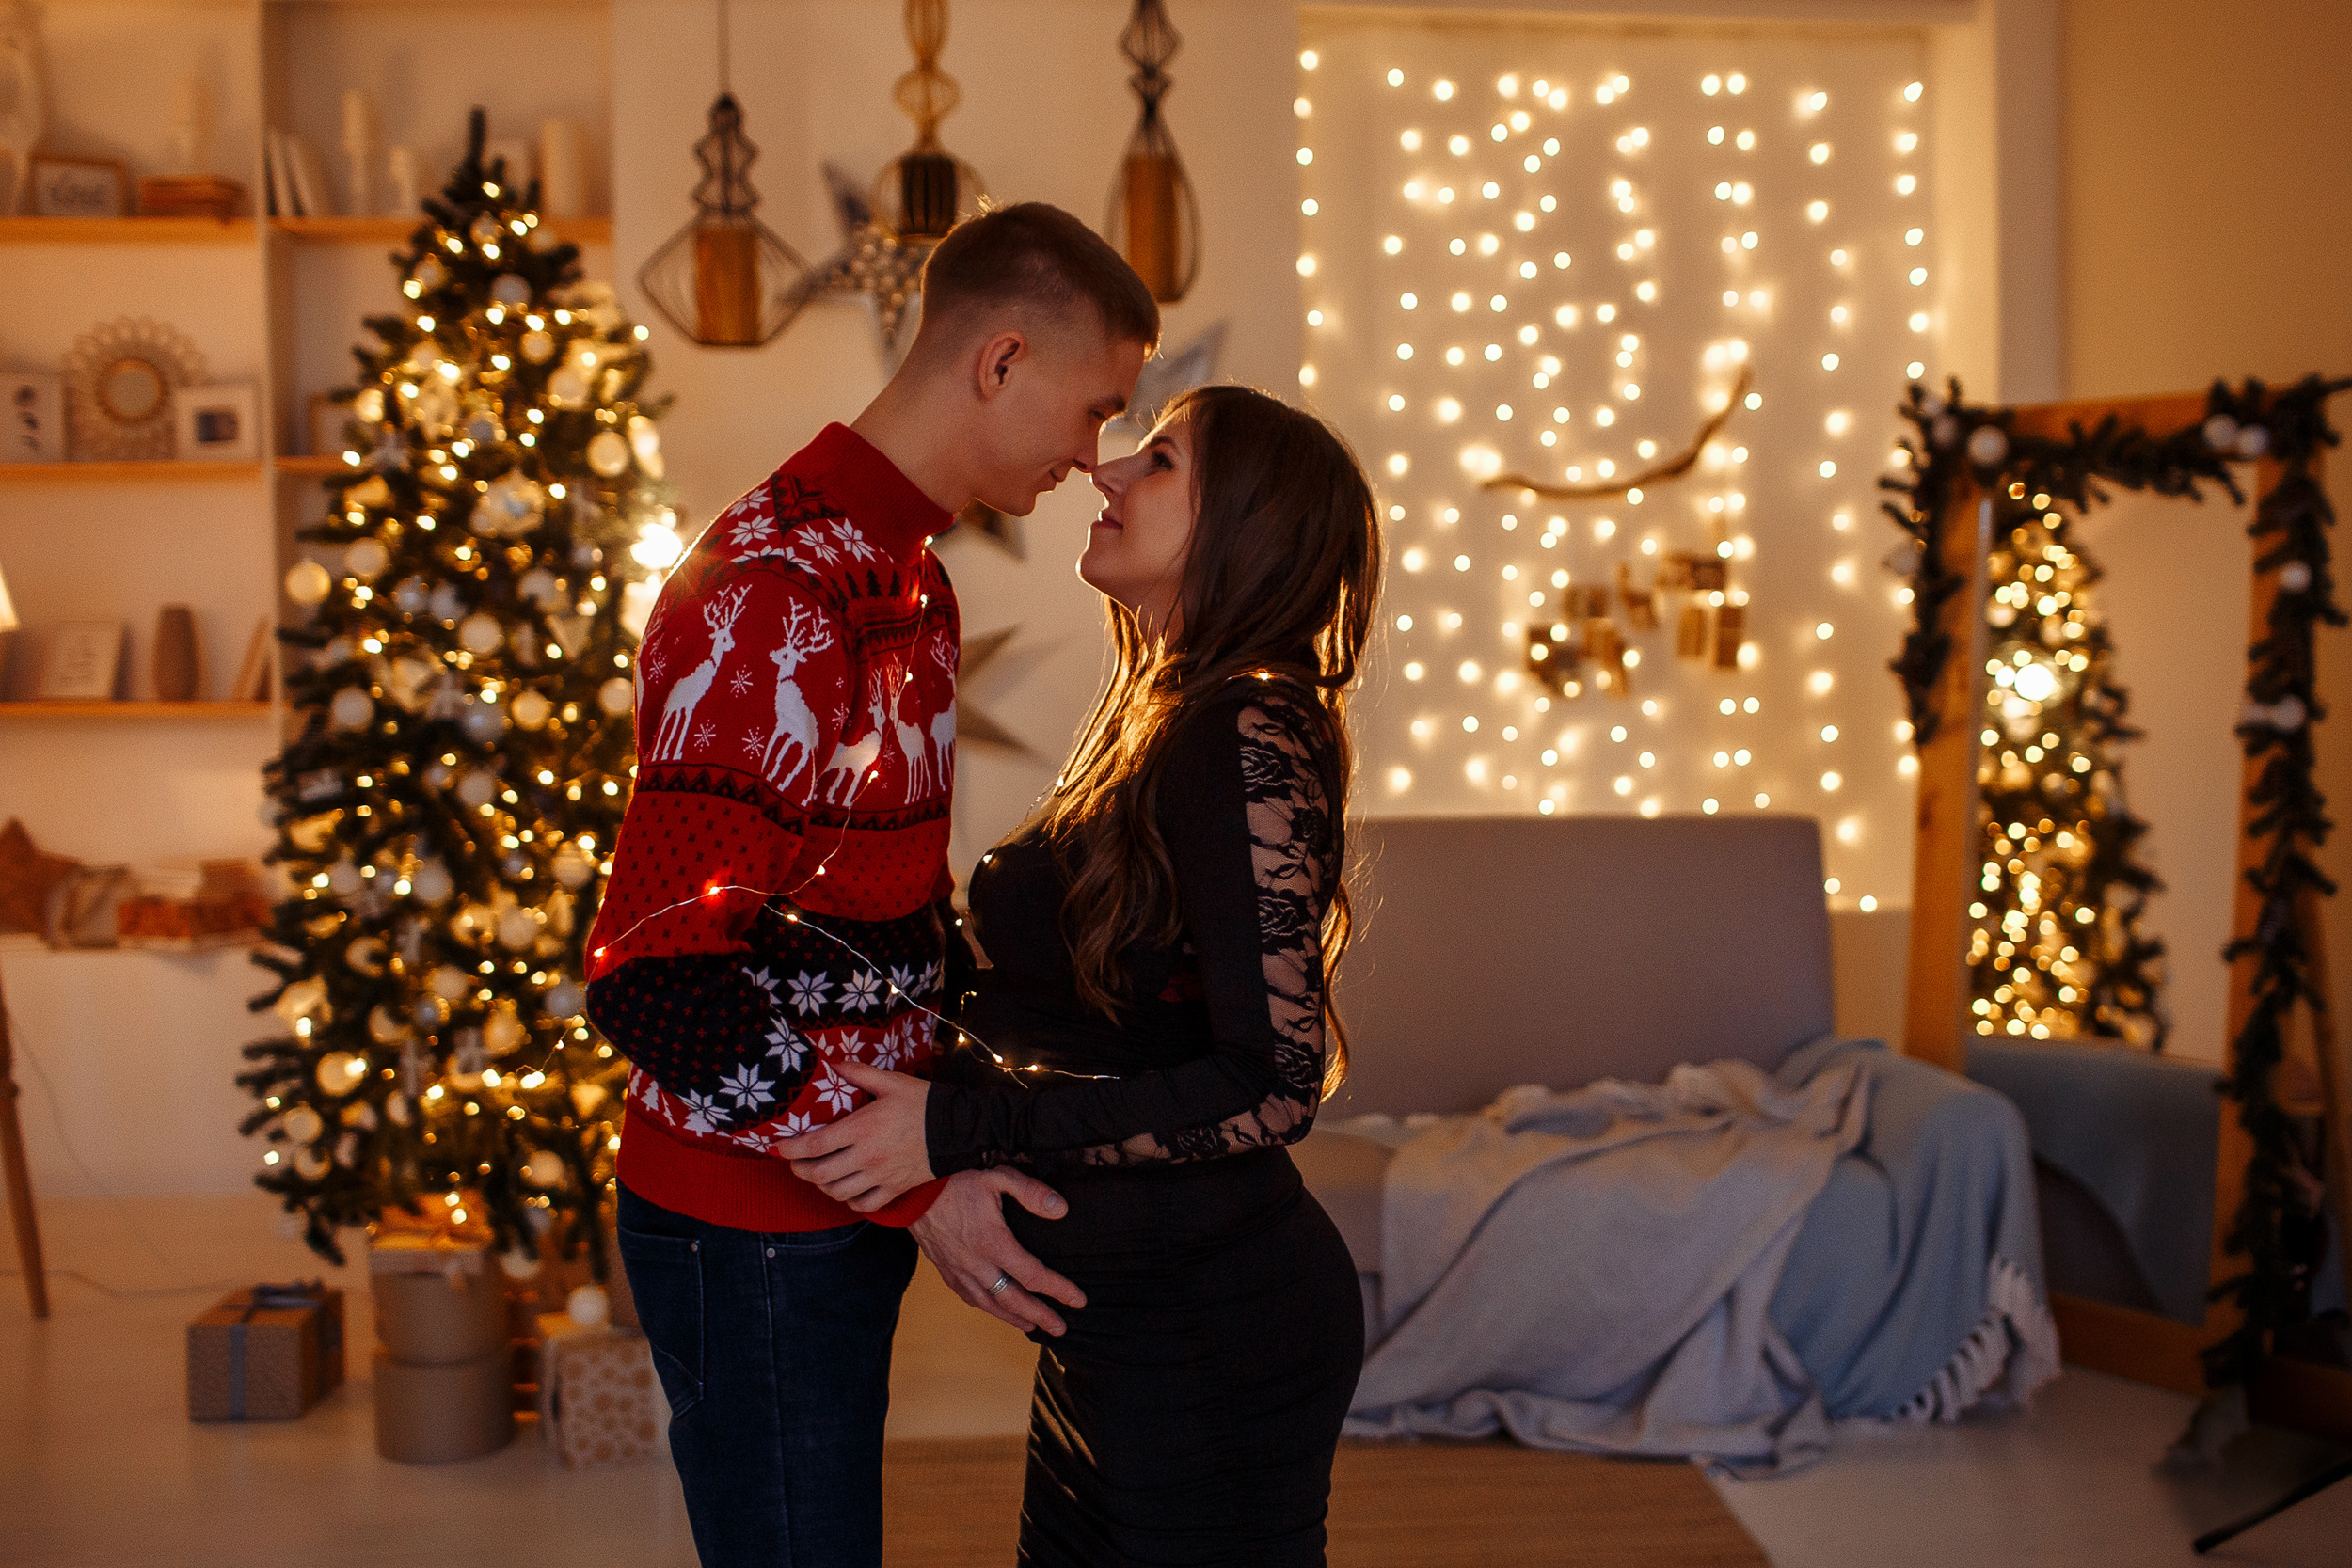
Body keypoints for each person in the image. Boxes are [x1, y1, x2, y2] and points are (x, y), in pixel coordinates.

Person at [582, 202, 1158, 1568]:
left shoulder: (907, 573)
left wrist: (971, 1114)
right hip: (749, 1226)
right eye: (1094, 412)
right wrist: (916, 1186)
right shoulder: (773, 590)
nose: (1093, 460)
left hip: (831, 1194)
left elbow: (877, 913)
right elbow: (655, 971)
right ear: (1000, 359)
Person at [780, 383, 1382, 1567]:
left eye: (1157, 460)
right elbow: (1096, 1011)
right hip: (1124, 1328)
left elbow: (1271, 1085)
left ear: (1244, 526)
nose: (1105, 473)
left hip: (1214, 1333)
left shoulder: (1247, 729)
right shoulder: (1164, 715)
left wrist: (958, 1125)